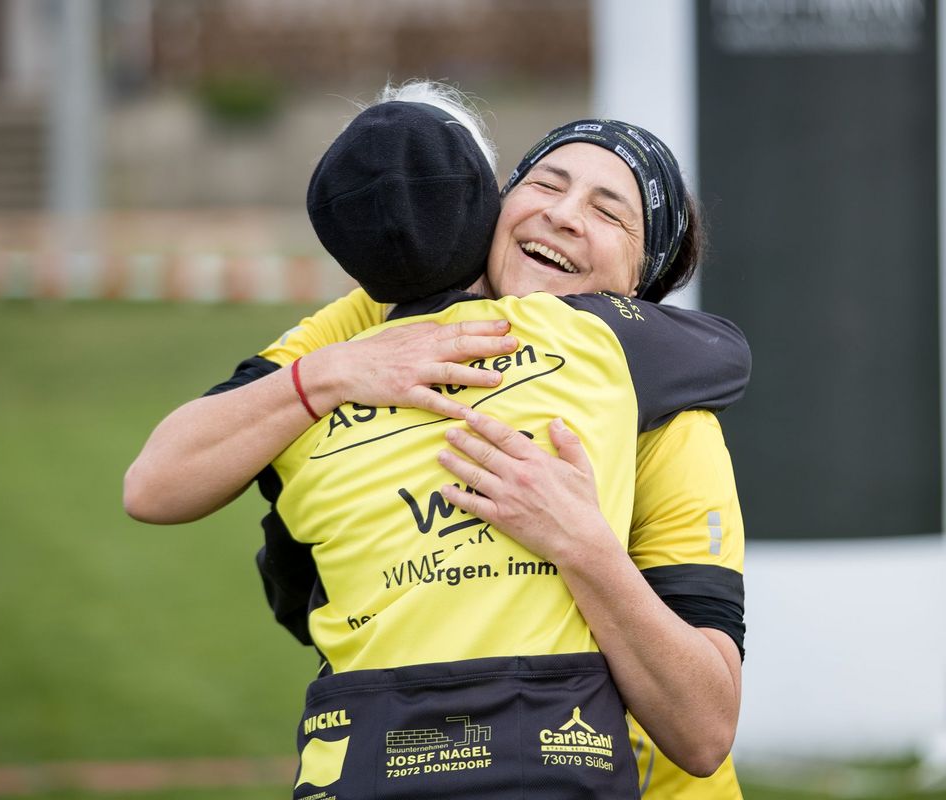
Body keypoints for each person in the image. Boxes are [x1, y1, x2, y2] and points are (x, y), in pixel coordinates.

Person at [125, 83, 747, 798]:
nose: (563, 214)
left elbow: (704, 731)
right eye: (545, 183)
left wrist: (581, 542)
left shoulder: (671, 421)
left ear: (640, 283)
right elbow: (155, 482)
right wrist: (331, 373)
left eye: (609, 212)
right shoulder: (369, 323)